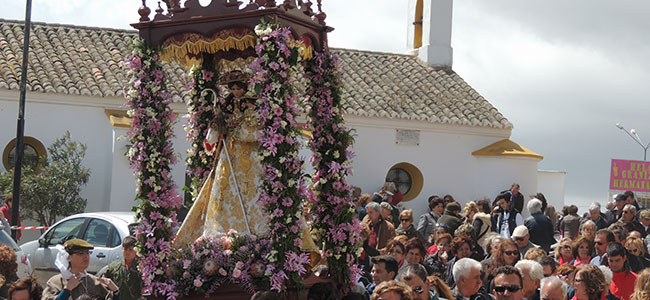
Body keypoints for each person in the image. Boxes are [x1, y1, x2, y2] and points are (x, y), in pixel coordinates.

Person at [175, 71, 283, 241]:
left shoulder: (253, 106)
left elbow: (255, 133)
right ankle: (220, 231)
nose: (235, 92)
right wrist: (217, 126)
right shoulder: (227, 105)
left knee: (251, 189)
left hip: (249, 155)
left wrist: (239, 127)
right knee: (224, 189)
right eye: (232, 89)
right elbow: (220, 124)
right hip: (228, 154)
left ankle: (255, 230)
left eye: (237, 88)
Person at [42, 239, 120, 300]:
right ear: (68, 257)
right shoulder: (56, 282)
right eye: (80, 253)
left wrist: (116, 292)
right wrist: (67, 290)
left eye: (87, 253)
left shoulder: (96, 282)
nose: (86, 256)